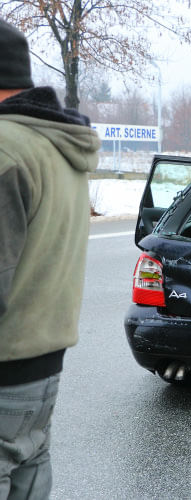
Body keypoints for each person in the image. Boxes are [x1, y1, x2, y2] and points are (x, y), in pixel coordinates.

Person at [0, 20, 100, 499]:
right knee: (30, 473)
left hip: (3, 367)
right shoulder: (58, 146)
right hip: (42, 368)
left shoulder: (6, 149)